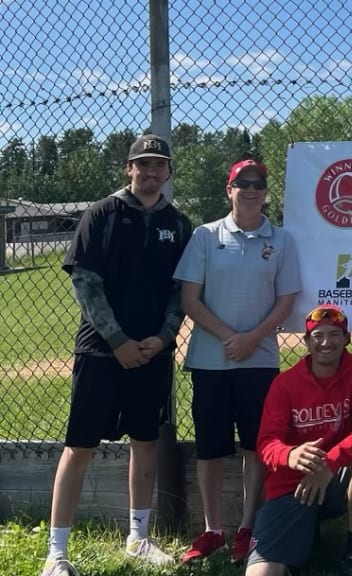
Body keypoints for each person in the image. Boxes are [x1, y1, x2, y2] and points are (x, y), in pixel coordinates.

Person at [41, 134, 192, 576]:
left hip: (152, 354)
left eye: (159, 165)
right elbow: (86, 283)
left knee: (145, 444)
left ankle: (138, 539)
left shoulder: (178, 224)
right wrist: (119, 341)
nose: (150, 172)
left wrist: (164, 336)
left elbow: (180, 290)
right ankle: (57, 552)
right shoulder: (102, 214)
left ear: (168, 172)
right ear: (129, 168)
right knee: (79, 447)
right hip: (102, 352)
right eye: (142, 164)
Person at [174, 158, 302, 564]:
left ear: (266, 192)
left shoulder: (281, 240)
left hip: (259, 362)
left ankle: (248, 527)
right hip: (211, 361)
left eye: (258, 184)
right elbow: (189, 299)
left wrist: (252, 340)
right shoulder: (205, 236)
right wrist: (232, 338)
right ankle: (212, 529)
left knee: (255, 447)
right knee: (210, 450)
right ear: (228, 190)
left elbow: (286, 302)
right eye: (242, 183)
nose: (250, 189)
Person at [245, 305, 352, 576]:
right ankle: (305, 535)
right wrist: (290, 455)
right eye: (318, 335)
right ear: (306, 342)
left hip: (336, 476)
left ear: (346, 339)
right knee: (261, 573)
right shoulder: (285, 384)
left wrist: (330, 464)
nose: (326, 343)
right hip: (291, 484)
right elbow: (266, 443)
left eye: (334, 335)